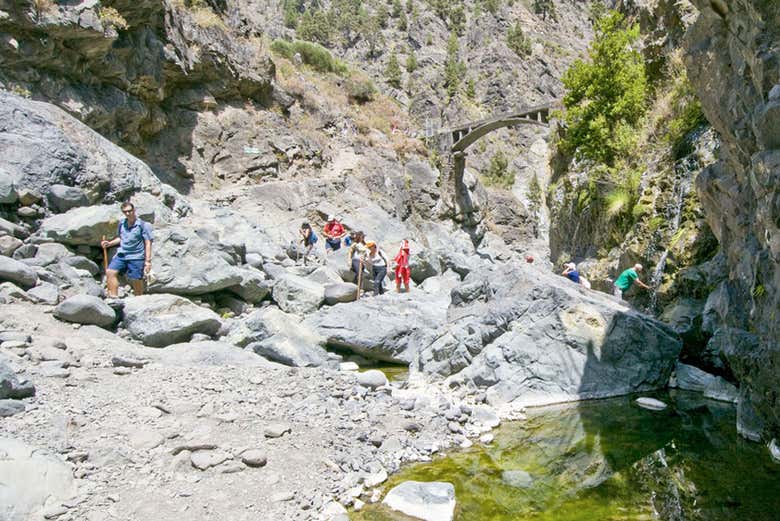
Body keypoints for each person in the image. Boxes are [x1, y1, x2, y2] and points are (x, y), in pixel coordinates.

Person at [100, 202, 153, 297]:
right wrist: (109, 243)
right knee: (110, 272)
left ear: (134, 210)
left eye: (130, 211)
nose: (128, 213)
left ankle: (139, 299)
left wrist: (148, 261)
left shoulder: (143, 225)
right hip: (122, 254)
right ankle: (114, 298)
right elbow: (121, 238)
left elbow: (148, 243)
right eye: (125, 212)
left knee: (136, 279)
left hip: (136, 256)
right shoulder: (122, 224)